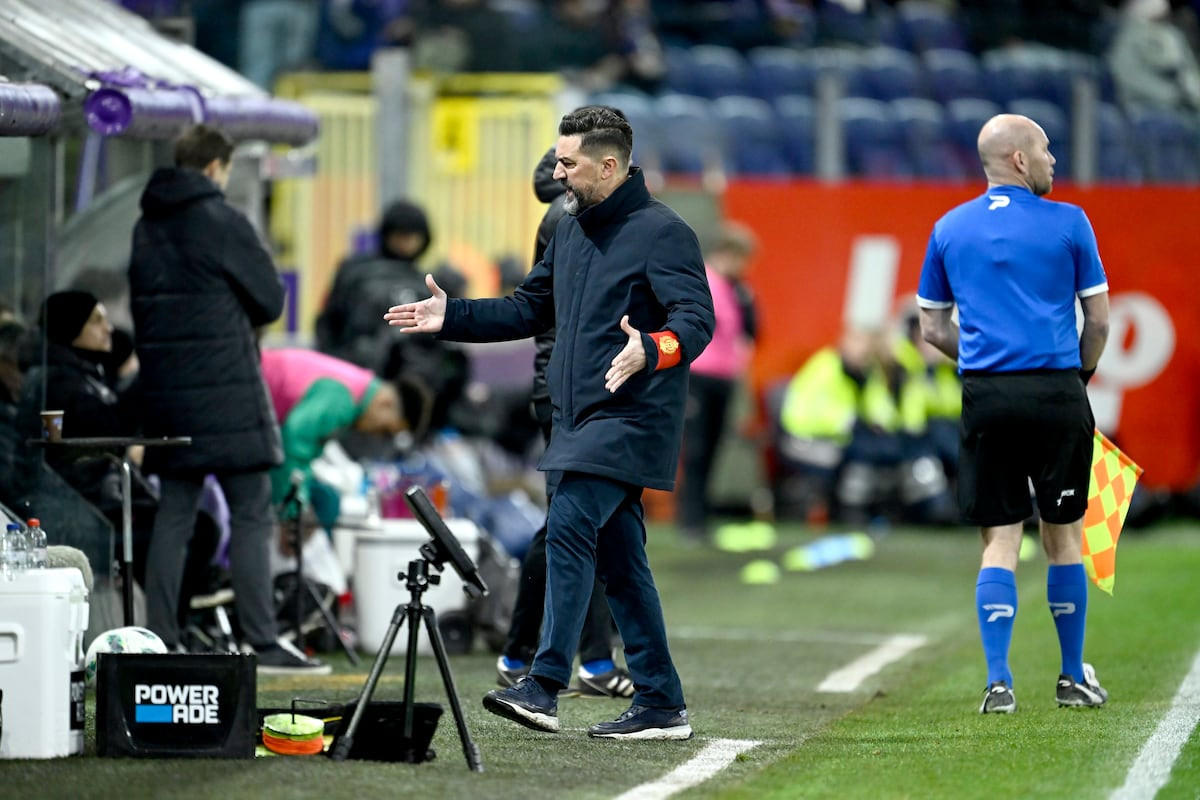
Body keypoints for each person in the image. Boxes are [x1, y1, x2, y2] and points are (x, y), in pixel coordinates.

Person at [386, 106, 714, 739]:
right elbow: (526, 308)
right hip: (575, 419)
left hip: (631, 415)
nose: (557, 172)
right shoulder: (567, 229)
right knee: (622, 565)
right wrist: (452, 317)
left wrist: (654, 346)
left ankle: (542, 683)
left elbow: (697, 320)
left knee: (565, 527)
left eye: (568, 163)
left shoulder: (664, 232)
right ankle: (661, 702)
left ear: (610, 165)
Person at [916, 113, 1111, 714]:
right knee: (1066, 536)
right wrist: (1075, 377)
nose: (1055, 160)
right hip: (1056, 391)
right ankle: (1072, 676)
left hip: (987, 394)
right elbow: (1099, 322)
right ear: (1020, 160)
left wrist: (976, 358)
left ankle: (998, 683)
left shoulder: (948, 228)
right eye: (1047, 150)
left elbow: (931, 327)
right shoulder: (1071, 222)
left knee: (1000, 539)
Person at [128, 124, 328, 674]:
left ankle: (161, 639)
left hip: (168, 393)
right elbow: (269, 298)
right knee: (250, 513)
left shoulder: (145, 227)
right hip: (227, 391)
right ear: (216, 166)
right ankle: (261, 641)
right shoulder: (222, 220)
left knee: (174, 515)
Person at [494, 145, 633, 700]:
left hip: (569, 387)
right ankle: (590, 661)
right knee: (579, 525)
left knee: (572, 524)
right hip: (570, 390)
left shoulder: (566, 217)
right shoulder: (572, 220)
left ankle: (521, 652)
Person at [677, 221, 759, 544]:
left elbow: (750, 331)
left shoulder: (738, 289)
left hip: (724, 376)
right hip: (699, 374)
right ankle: (690, 519)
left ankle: (701, 517)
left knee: (712, 448)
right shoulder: (704, 281)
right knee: (696, 449)